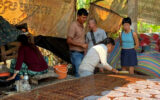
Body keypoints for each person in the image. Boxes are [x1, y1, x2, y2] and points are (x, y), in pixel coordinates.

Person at [67, 8, 88, 77]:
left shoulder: (82, 25)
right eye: (83, 17)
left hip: (82, 53)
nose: (84, 20)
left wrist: (85, 51)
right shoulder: (73, 25)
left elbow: (82, 39)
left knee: (82, 72)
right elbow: (68, 40)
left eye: (85, 18)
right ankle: (78, 87)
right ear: (78, 16)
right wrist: (81, 45)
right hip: (75, 54)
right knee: (78, 73)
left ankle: (81, 87)